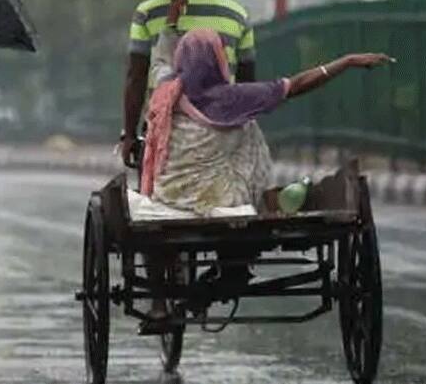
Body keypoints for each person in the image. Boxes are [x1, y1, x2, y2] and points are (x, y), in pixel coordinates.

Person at [138, 28, 391, 323]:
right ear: (219, 60)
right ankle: (230, 272)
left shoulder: (165, 93)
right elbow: (296, 85)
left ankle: (160, 301)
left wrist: (169, 27)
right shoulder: (236, 97)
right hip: (227, 202)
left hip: (172, 197)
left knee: (147, 222)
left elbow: (159, 65)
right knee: (247, 131)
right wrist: (347, 61)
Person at [122, 0, 255, 166]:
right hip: (220, 136)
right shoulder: (237, 16)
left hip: (163, 136)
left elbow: (136, 76)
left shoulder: (148, 12)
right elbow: (247, 84)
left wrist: (130, 135)